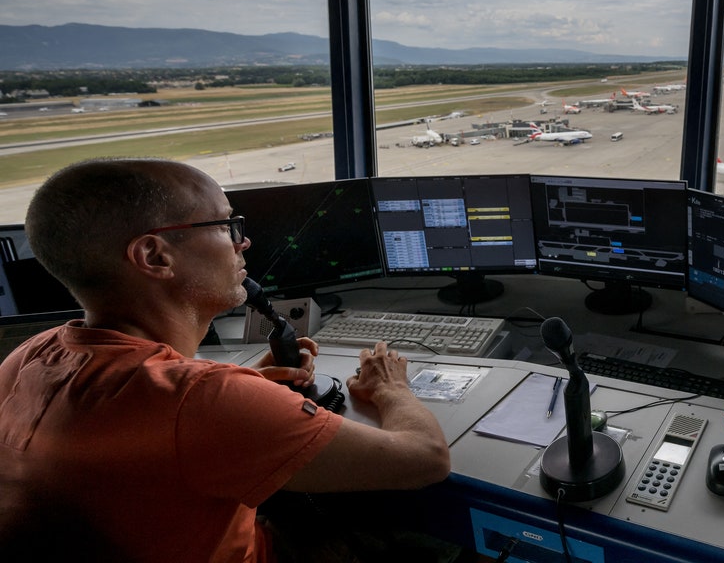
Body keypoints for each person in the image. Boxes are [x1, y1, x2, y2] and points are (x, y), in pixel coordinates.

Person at [0, 158, 452, 562]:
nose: (244, 241)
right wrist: (392, 387)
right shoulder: (203, 401)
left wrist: (245, 389)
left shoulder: (29, 356)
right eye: (225, 225)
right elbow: (426, 459)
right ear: (154, 255)